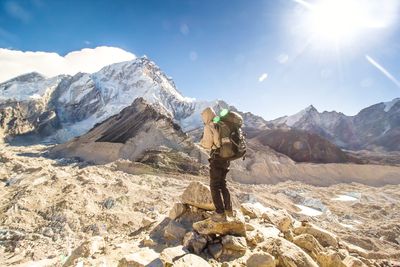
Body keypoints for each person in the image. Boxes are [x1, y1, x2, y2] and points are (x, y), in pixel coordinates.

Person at [200, 107, 233, 221]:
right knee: (223, 184)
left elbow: (208, 144)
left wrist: (202, 142)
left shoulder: (209, 126)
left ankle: (219, 212)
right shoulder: (221, 123)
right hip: (226, 157)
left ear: (206, 116)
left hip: (217, 158)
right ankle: (229, 209)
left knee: (214, 185)